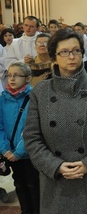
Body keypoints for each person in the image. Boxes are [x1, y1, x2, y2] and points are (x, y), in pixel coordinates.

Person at [23, 29, 87, 213]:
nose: (71, 56)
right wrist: (55, 166)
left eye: (76, 51)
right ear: (54, 56)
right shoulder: (40, 92)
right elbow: (32, 138)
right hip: (57, 182)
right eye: (65, 52)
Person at [0, 62, 40, 213]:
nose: (12, 78)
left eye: (16, 75)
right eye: (9, 75)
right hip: (10, 154)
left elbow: (33, 129)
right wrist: (5, 150)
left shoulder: (34, 98)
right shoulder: (2, 99)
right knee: (20, 185)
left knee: (33, 186)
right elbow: (0, 127)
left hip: (29, 154)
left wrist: (19, 152)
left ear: (28, 78)